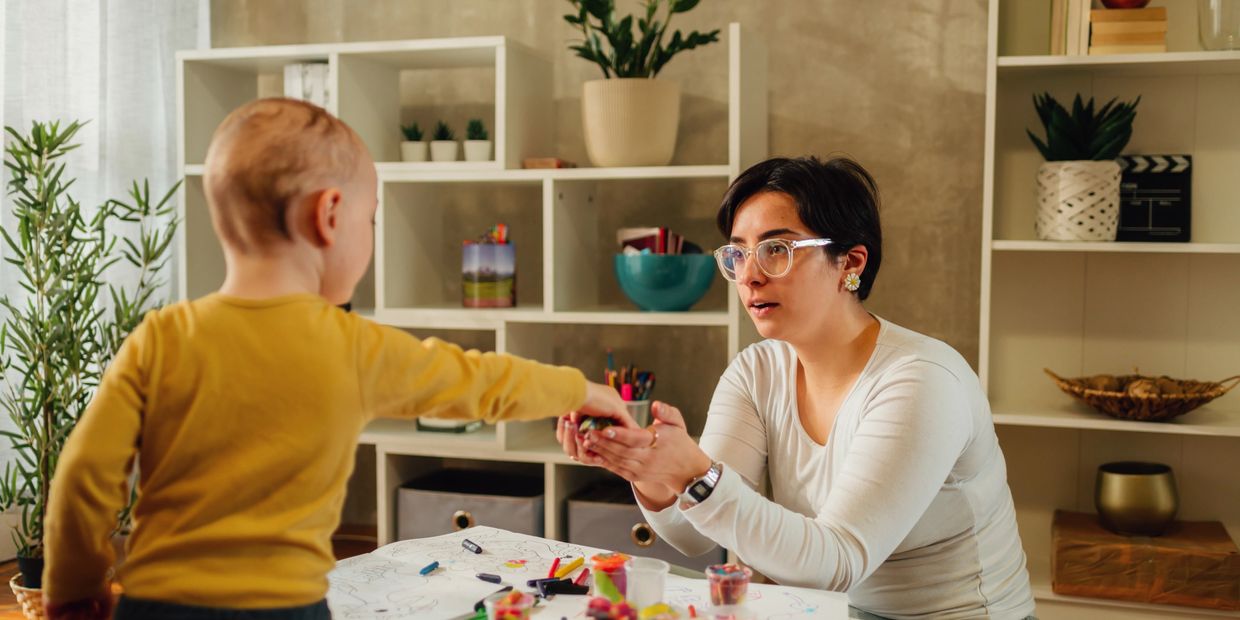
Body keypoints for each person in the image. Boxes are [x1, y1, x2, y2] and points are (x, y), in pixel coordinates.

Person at [42, 98, 634, 620]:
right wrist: (582, 390)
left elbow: (84, 478)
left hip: (157, 603)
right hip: (284, 606)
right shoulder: (353, 347)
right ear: (329, 216)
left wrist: (74, 587)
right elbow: (480, 381)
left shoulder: (160, 336)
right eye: (369, 218)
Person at [558, 156, 1036, 619]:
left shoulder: (922, 380)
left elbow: (838, 562)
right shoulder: (756, 371)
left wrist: (693, 473)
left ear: (850, 263)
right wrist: (646, 467)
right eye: (738, 253)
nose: (749, 274)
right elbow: (693, 535)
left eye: (776, 249)